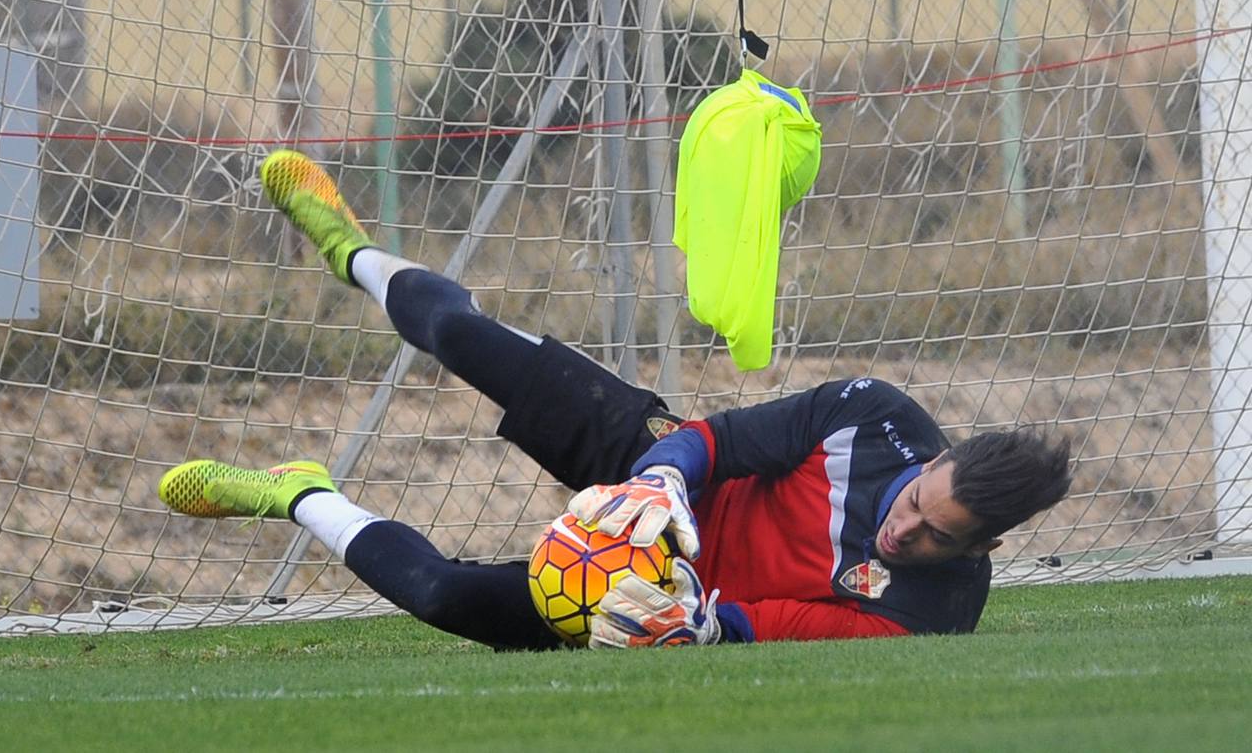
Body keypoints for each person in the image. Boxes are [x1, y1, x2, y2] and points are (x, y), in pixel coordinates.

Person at [159, 150, 1073, 651]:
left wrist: (697, 626)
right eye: (917, 503)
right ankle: (347, 246)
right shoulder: (879, 419)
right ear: (933, 461)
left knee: (442, 595)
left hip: (666, 595)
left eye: (933, 537)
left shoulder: (938, 611)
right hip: (658, 465)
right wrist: (663, 483)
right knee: (463, 337)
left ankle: (294, 492)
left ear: (979, 550)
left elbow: (792, 629)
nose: (906, 531)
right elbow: (727, 439)